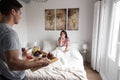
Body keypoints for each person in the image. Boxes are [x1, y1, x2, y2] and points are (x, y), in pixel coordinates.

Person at [0, 0, 50, 80]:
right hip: (15, 78)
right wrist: (40, 62)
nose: (20, 16)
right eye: (20, 13)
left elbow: (5, 56)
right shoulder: (9, 33)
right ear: (13, 12)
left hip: (4, 75)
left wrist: (21, 56)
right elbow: (13, 64)